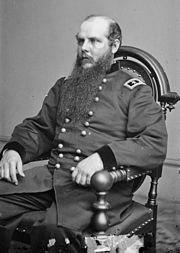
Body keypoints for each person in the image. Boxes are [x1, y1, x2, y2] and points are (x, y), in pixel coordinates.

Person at [0, 15, 167, 253]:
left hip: (100, 190)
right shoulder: (65, 86)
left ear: (114, 45)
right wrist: (13, 150)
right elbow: (40, 128)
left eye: (94, 41)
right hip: (52, 178)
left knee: (54, 232)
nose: (84, 48)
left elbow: (154, 143)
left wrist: (102, 158)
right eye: (80, 41)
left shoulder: (133, 92)